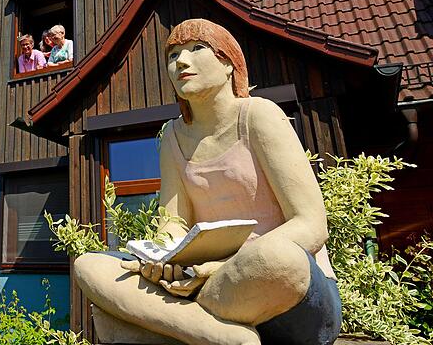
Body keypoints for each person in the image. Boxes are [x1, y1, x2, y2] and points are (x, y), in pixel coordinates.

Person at [74, 19, 341, 345]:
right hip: (199, 279)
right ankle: (216, 334)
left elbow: (312, 225)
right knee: (90, 266)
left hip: (281, 290)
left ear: (228, 62)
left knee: (279, 258)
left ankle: (169, 325)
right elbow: (174, 224)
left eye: (196, 49)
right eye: (173, 55)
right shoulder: (172, 135)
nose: (180, 62)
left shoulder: (259, 115)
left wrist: (223, 266)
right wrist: (164, 260)